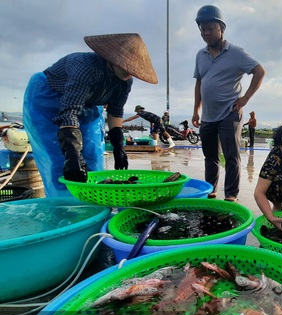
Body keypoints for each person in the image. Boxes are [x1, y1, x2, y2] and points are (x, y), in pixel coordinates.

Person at [23, 33, 158, 197]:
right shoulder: (85, 68)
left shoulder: (125, 81)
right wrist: (72, 153)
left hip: (88, 105)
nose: (129, 72)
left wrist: (118, 146)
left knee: (93, 156)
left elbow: (115, 111)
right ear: (112, 59)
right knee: (61, 161)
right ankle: (66, 208)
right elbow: (69, 112)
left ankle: (93, 202)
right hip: (48, 99)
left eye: (133, 69)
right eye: (125, 66)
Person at [191, 5, 265, 201]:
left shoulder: (236, 53)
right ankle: (211, 190)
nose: (206, 33)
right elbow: (199, 83)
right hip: (207, 115)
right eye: (202, 29)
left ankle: (231, 195)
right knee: (210, 157)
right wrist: (196, 110)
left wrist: (245, 98)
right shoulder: (200, 55)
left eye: (210, 28)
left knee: (231, 156)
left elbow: (259, 72)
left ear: (221, 28)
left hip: (229, 112)